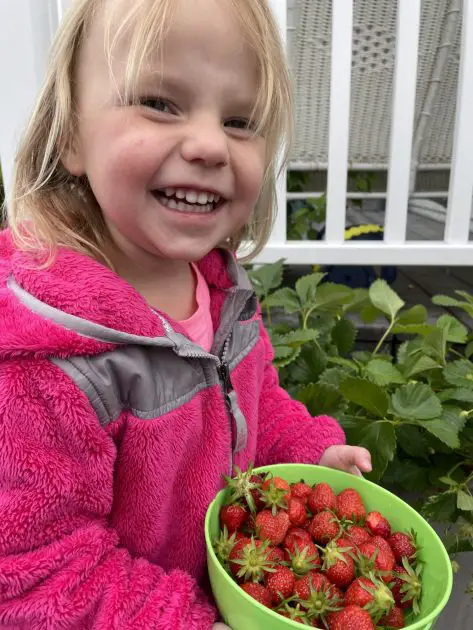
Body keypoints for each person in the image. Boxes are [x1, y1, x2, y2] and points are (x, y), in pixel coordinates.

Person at [0, 0, 372, 627]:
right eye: (160, 103)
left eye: (240, 120)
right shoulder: (51, 362)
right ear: (70, 137)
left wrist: (307, 454)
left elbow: (251, 405)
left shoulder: (218, 288)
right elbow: (37, 573)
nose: (207, 144)